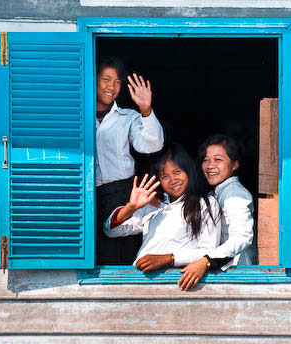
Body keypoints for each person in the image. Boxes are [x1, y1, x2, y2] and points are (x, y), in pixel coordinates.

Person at [103, 143, 221, 272]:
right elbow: (111, 231)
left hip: (176, 280)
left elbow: (209, 251)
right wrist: (131, 208)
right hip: (140, 280)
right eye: (165, 176)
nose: (173, 180)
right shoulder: (154, 205)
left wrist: (168, 259)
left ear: (189, 171)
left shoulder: (205, 203)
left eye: (177, 172)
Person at [95, 56, 164, 265]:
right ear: (93, 79)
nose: (112, 87)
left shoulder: (128, 117)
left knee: (127, 253)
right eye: (106, 79)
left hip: (123, 193)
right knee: (96, 254)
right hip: (89, 195)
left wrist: (146, 109)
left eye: (117, 82)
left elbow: (151, 145)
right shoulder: (77, 116)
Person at [178, 134, 255, 291]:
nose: (210, 165)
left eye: (218, 160)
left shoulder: (234, 193)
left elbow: (242, 237)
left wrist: (205, 261)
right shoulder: (216, 193)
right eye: (206, 160)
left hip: (239, 276)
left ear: (234, 165)